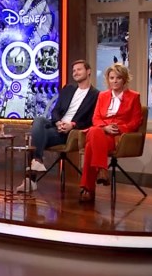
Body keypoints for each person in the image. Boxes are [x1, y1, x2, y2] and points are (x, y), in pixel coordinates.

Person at [17, 60, 99, 192]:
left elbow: (91, 120)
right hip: (56, 125)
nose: (75, 73)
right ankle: (37, 160)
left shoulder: (96, 95)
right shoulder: (68, 89)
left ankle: (31, 179)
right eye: (74, 71)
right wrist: (58, 122)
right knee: (38, 120)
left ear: (88, 71)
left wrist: (72, 125)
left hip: (70, 132)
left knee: (34, 139)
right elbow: (55, 110)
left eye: (79, 69)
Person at [78, 64, 143, 203]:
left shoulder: (134, 97)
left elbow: (136, 121)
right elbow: (96, 118)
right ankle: (102, 170)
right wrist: (104, 127)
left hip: (117, 137)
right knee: (95, 130)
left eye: (118, 78)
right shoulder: (102, 96)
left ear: (124, 79)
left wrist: (119, 128)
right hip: (101, 132)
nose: (115, 81)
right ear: (108, 80)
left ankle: (88, 189)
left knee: (90, 146)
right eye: (112, 78)